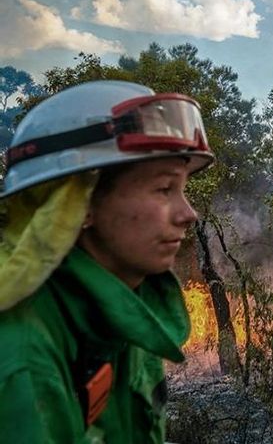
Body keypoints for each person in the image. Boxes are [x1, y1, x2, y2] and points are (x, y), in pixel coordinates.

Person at [0, 80, 214, 443]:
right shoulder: (21, 358)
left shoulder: (124, 314)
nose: (188, 213)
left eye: (183, 189)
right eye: (164, 188)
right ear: (77, 206)